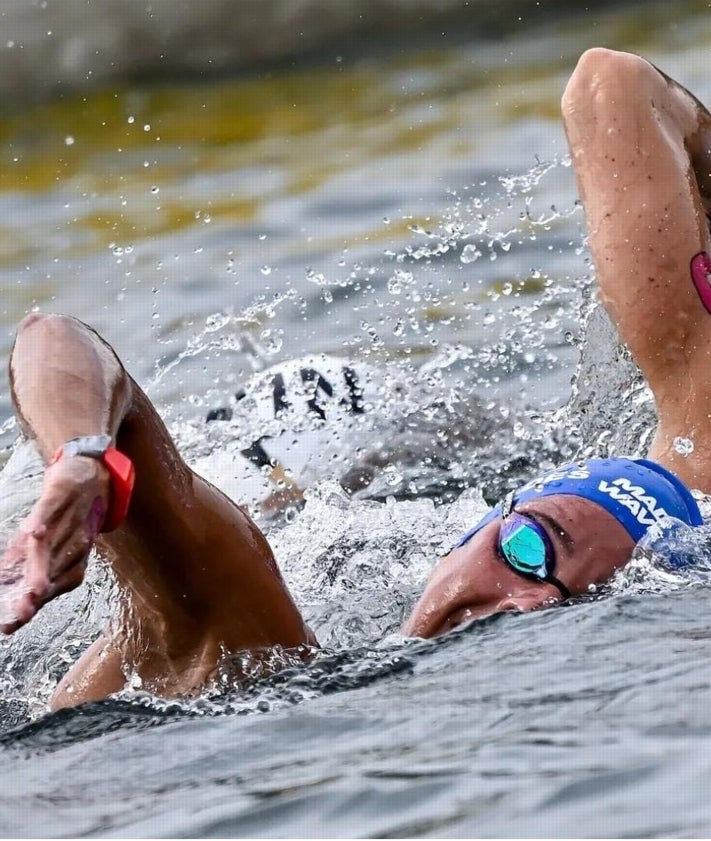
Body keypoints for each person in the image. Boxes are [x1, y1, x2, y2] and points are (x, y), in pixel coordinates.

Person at [3, 47, 711, 710]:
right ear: (478, 527)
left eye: (577, 610)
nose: (523, 604)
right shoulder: (270, 634)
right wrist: (80, 453)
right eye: (527, 547)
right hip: (316, 423)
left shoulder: (271, 652)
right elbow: (610, 84)